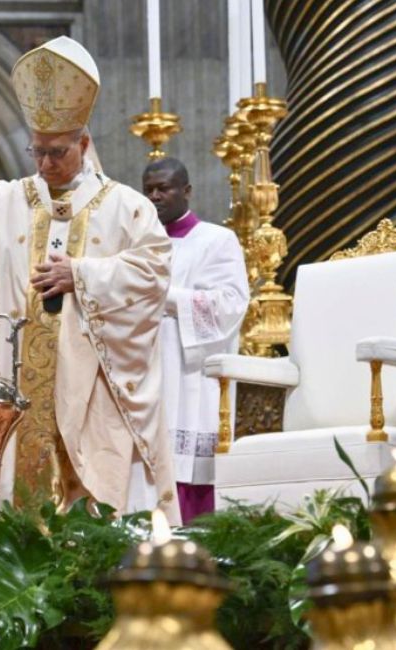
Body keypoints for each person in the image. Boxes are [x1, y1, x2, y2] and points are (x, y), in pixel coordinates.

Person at [0, 36, 180, 522]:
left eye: (56, 152)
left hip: (91, 377)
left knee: (90, 482)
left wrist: (81, 274)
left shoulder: (126, 207)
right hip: (20, 374)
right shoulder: (9, 198)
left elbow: (154, 271)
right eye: (36, 151)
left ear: (84, 143)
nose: (44, 164)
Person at [143, 158, 249, 521]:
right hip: (146, 366)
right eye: (149, 190)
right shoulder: (137, 247)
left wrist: (165, 296)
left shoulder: (217, 240)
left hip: (191, 370)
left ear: (186, 191)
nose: (155, 196)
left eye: (164, 188)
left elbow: (231, 304)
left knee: (188, 468)